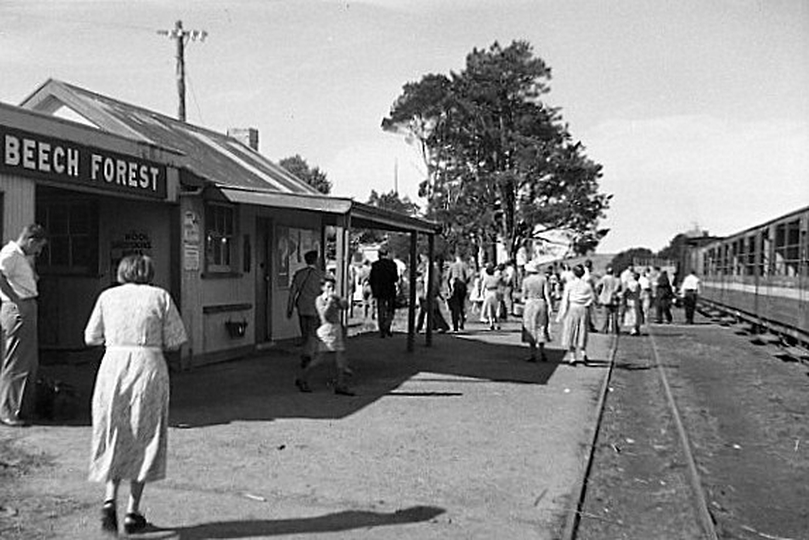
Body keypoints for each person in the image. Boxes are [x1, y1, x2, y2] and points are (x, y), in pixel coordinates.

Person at [84, 255, 187, 535]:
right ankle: (132, 510)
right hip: (148, 365)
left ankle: (108, 500)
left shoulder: (107, 297)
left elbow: (90, 337)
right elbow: (176, 339)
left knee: (113, 430)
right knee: (145, 434)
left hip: (114, 366)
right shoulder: (160, 296)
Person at [0, 224, 48, 427]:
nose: (38, 251)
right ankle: (7, 410)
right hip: (18, 306)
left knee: (28, 361)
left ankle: (21, 408)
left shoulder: (21, 257)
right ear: (31, 240)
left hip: (27, 303)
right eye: (38, 246)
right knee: (16, 360)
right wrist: (16, 300)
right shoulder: (10, 253)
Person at [294, 275, 354, 396]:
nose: (330, 289)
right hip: (327, 330)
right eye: (328, 287)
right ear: (322, 288)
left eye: (332, 286)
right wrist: (330, 304)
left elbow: (345, 306)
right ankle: (303, 378)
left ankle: (340, 385)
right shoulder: (319, 300)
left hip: (336, 328)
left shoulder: (334, 298)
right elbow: (325, 316)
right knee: (320, 358)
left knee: (340, 358)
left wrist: (339, 300)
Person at [286, 250, 325, 368]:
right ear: (316, 260)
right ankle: (308, 355)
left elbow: (292, 292)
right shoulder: (320, 275)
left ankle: (305, 353)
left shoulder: (299, 274)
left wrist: (290, 307)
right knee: (312, 333)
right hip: (315, 308)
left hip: (302, 307)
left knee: (304, 332)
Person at [556, 264, 594, 365]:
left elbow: (565, 300)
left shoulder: (570, 285)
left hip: (572, 308)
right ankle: (583, 352)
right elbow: (591, 298)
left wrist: (561, 314)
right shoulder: (587, 285)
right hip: (583, 309)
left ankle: (572, 356)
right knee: (582, 330)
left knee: (571, 331)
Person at [521, 260, 552, 362]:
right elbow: (547, 294)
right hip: (541, 303)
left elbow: (523, 296)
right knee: (541, 326)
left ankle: (532, 353)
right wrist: (550, 306)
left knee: (530, 327)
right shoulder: (543, 279)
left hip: (530, 303)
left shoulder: (526, 281)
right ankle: (542, 351)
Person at [369, 246, 399, 338]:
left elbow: (371, 279)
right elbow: (395, 278)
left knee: (381, 310)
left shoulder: (375, 265)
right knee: (390, 310)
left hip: (379, 291)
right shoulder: (392, 264)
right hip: (390, 289)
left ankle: (382, 329)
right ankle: (387, 326)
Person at [446, 253, 471, 332]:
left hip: (455, 285)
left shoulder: (452, 266)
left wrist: (449, 288)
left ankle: (455, 324)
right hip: (462, 285)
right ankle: (462, 321)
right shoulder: (464, 265)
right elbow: (468, 275)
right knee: (461, 304)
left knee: (455, 306)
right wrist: (466, 283)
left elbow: (447, 277)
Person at [596, 266, 622, 334]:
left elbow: (597, 286)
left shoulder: (604, 278)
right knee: (614, 316)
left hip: (605, 298)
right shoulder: (616, 279)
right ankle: (615, 329)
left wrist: (599, 294)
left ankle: (604, 329)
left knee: (605, 316)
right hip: (614, 298)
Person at [480, 263, 503, 330]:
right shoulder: (496, 278)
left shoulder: (486, 279)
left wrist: (482, 295)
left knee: (490, 309)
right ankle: (498, 324)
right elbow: (501, 281)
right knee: (497, 308)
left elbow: (483, 288)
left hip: (489, 293)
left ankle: (491, 323)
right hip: (496, 292)